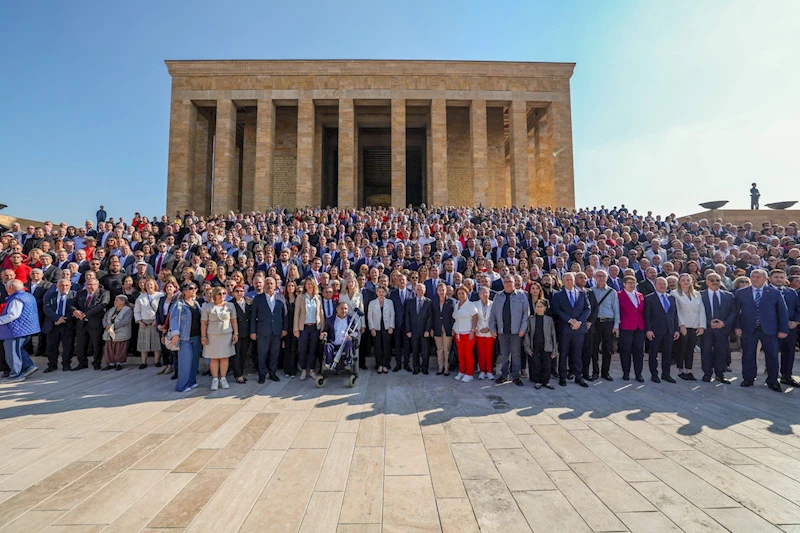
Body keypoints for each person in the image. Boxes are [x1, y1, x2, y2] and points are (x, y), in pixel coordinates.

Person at [735, 269, 788, 391]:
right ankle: (748, 378)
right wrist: (737, 326)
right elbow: (736, 311)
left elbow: (782, 312)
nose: (755, 279)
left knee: (772, 355)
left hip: (769, 329)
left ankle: (772, 380)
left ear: (765, 279)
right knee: (748, 354)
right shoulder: (741, 293)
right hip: (748, 328)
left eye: (758, 277)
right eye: (753, 276)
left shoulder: (774, 293)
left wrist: (783, 329)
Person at [551, 272, 590, 388]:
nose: (569, 281)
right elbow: (557, 310)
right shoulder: (558, 295)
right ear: (563, 281)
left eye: (571, 279)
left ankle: (578, 376)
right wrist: (570, 320)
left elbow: (587, 309)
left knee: (577, 354)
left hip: (579, 329)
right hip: (565, 329)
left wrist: (579, 322)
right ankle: (562, 377)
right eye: (567, 280)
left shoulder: (582, 294)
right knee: (563, 354)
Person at [699, 272, 736, 383]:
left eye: (717, 280)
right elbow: (697, 312)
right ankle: (707, 374)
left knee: (721, 352)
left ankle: (720, 374)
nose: (715, 283)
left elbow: (733, 312)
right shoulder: (700, 295)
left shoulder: (728, 295)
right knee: (706, 351)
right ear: (706, 281)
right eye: (712, 280)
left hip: (722, 329)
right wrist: (707, 322)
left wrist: (724, 323)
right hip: (707, 329)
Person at [0, 279, 40, 382]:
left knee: (12, 353)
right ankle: (28, 366)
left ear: (10, 288)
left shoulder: (16, 299)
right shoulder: (28, 296)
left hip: (15, 330)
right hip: (26, 329)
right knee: (18, 350)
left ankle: (16, 375)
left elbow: (12, 315)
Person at [250, 277, 287, 384]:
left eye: (272, 283)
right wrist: (253, 331)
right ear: (264, 285)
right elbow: (253, 316)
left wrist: (285, 328)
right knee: (262, 354)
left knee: (274, 353)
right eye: (267, 283)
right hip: (262, 331)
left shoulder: (281, 298)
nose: (269, 285)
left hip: (276, 330)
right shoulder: (258, 298)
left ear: (275, 285)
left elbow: (284, 315)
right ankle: (261, 375)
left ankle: (272, 373)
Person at [201, 286, 238, 390]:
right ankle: (215, 379)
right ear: (215, 295)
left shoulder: (230, 305)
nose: (222, 296)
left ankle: (223, 378)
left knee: (224, 357)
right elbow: (203, 323)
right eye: (219, 294)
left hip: (226, 334)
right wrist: (203, 336)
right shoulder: (208, 307)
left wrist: (236, 333)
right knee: (214, 357)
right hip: (212, 335)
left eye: (224, 293)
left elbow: (234, 321)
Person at [644, 277, 680, 383]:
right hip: (655, 331)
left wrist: (676, 329)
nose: (662, 286)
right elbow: (647, 316)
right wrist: (648, 330)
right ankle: (654, 374)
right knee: (653, 354)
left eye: (664, 284)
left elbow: (674, 315)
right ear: (655, 285)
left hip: (669, 330)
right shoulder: (649, 298)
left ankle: (666, 374)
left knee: (667, 354)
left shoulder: (671, 298)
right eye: (659, 284)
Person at [768, 269, 800, 386]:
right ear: (770, 279)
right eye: (776, 277)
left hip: (790, 328)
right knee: (772, 354)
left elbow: (798, 308)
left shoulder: (791, 292)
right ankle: (772, 378)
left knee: (789, 353)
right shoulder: (765, 291)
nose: (779, 279)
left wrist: (796, 322)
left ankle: (786, 376)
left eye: (781, 277)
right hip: (772, 329)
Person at [72, 277, 110, 370]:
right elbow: (72, 304)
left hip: (95, 322)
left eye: (91, 284)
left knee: (97, 344)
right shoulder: (81, 293)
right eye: (87, 284)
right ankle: (82, 363)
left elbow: (102, 305)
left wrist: (85, 314)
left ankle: (96, 363)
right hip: (81, 323)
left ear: (97, 285)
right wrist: (75, 311)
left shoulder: (104, 293)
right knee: (81, 344)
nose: (89, 286)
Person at [588, 270, 619, 381]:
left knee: (607, 348)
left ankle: (605, 372)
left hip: (608, 322)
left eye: (603, 276)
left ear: (607, 278)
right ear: (595, 277)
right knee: (594, 348)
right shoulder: (590, 291)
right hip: (595, 322)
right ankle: (595, 371)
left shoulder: (612, 292)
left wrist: (616, 325)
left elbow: (616, 309)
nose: (601, 278)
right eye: (599, 276)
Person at [42, 278, 76, 372]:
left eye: (66, 285)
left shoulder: (74, 295)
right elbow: (46, 308)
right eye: (61, 285)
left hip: (67, 324)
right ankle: (52, 365)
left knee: (67, 346)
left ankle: (66, 364)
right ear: (57, 286)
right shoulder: (50, 295)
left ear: (70, 286)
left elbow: (75, 309)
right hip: (53, 324)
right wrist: (57, 318)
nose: (64, 287)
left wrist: (64, 319)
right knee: (51, 346)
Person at [294, 277, 323, 381]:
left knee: (313, 350)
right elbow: (296, 314)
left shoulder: (318, 297)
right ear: (305, 286)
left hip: (315, 327)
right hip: (303, 328)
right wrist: (296, 329)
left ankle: (311, 370)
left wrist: (322, 328)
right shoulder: (301, 297)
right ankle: (303, 370)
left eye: (311, 284)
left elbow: (321, 313)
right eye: (308, 284)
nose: (310, 285)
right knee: (303, 350)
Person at [523, 299, 557, 389]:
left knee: (547, 364)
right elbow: (527, 333)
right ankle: (538, 381)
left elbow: (553, 334)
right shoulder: (531, 319)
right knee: (536, 364)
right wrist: (527, 347)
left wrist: (554, 350)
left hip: (547, 345)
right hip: (535, 345)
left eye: (541, 306)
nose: (539, 308)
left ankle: (546, 381)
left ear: (545, 308)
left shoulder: (549, 319)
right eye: (537, 307)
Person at [618, 275, 646, 382]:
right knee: (626, 350)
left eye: (633, 282)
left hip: (639, 326)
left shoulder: (640, 295)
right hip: (626, 326)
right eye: (629, 282)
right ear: (624, 284)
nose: (631, 285)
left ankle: (638, 374)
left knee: (639, 350)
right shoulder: (619, 295)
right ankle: (626, 373)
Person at [134, 277, 164, 369]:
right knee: (144, 342)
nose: (149, 286)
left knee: (156, 343)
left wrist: (157, 320)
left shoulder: (160, 295)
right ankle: (143, 362)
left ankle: (157, 361)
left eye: (151, 284)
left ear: (155, 285)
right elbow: (137, 311)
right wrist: (139, 321)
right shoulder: (141, 297)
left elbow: (161, 310)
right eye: (147, 285)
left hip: (156, 321)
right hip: (144, 322)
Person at [452, 285, 478, 383]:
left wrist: (472, 331)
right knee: (461, 353)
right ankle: (462, 371)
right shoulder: (457, 304)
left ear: (467, 294)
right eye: (459, 293)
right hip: (458, 332)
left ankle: (469, 373)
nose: (461, 295)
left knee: (468, 354)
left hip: (468, 333)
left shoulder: (471, 305)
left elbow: (475, 318)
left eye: (463, 293)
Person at [405, 283, 432, 374]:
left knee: (425, 351)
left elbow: (430, 317)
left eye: (422, 290)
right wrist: (408, 330)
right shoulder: (410, 301)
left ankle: (425, 368)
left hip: (424, 331)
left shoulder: (428, 302)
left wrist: (427, 330)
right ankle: (416, 368)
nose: (420, 291)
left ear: (425, 291)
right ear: (415, 291)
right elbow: (407, 317)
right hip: (413, 331)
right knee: (415, 351)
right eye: (418, 289)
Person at [101, 294, 133, 370]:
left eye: (117, 300)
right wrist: (106, 326)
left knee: (120, 348)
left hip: (121, 331)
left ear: (123, 301)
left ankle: (119, 363)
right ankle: (111, 363)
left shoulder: (128, 310)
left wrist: (113, 326)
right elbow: (104, 318)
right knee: (109, 348)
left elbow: (125, 321)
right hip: (109, 331)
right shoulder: (112, 309)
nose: (115, 302)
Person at [368, 286, 394, 374]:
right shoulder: (372, 303)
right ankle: (379, 365)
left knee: (386, 346)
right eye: (379, 291)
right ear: (376, 292)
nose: (381, 293)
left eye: (383, 292)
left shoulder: (390, 302)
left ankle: (385, 365)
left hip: (386, 327)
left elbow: (392, 315)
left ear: (385, 293)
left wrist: (391, 326)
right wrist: (372, 328)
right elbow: (369, 316)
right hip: (376, 327)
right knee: (377, 346)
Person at [389, 274, 413, 372]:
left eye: (403, 280)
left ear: (406, 281)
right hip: (396, 324)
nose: (402, 282)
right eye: (400, 280)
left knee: (407, 345)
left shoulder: (412, 293)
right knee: (397, 345)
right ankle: (398, 364)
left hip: (408, 324)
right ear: (397, 282)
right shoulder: (392, 294)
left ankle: (406, 364)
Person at [431, 282, 455, 376]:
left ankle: (446, 368)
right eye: (439, 290)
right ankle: (440, 367)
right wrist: (431, 328)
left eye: (443, 290)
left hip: (447, 328)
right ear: (437, 291)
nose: (441, 292)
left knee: (446, 349)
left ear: (446, 291)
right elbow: (432, 316)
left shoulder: (451, 301)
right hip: (437, 327)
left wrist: (453, 328)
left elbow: (453, 316)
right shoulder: (434, 301)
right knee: (439, 349)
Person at [231, 284, 252, 384]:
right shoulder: (230, 304)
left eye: (241, 291)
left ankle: (241, 373)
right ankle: (238, 375)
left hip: (247, 332)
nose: (239, 293)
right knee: (236, 354)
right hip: (236, 332)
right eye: (237, 291)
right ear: (233, 293)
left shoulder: (249, 301)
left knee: (243, 353)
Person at [474, 286, 495, 380]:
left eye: (486, 292)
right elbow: (473, 319)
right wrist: (479, 328)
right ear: (479, 294)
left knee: (489, 353)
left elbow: (495, 318)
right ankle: (482, 371)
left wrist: (490, 328)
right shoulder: (474, 304)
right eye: (483, 292)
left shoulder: (493, 304)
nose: (485, 294)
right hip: (479, 332)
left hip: (490, 332)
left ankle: (489, 372)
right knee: (481, 353)